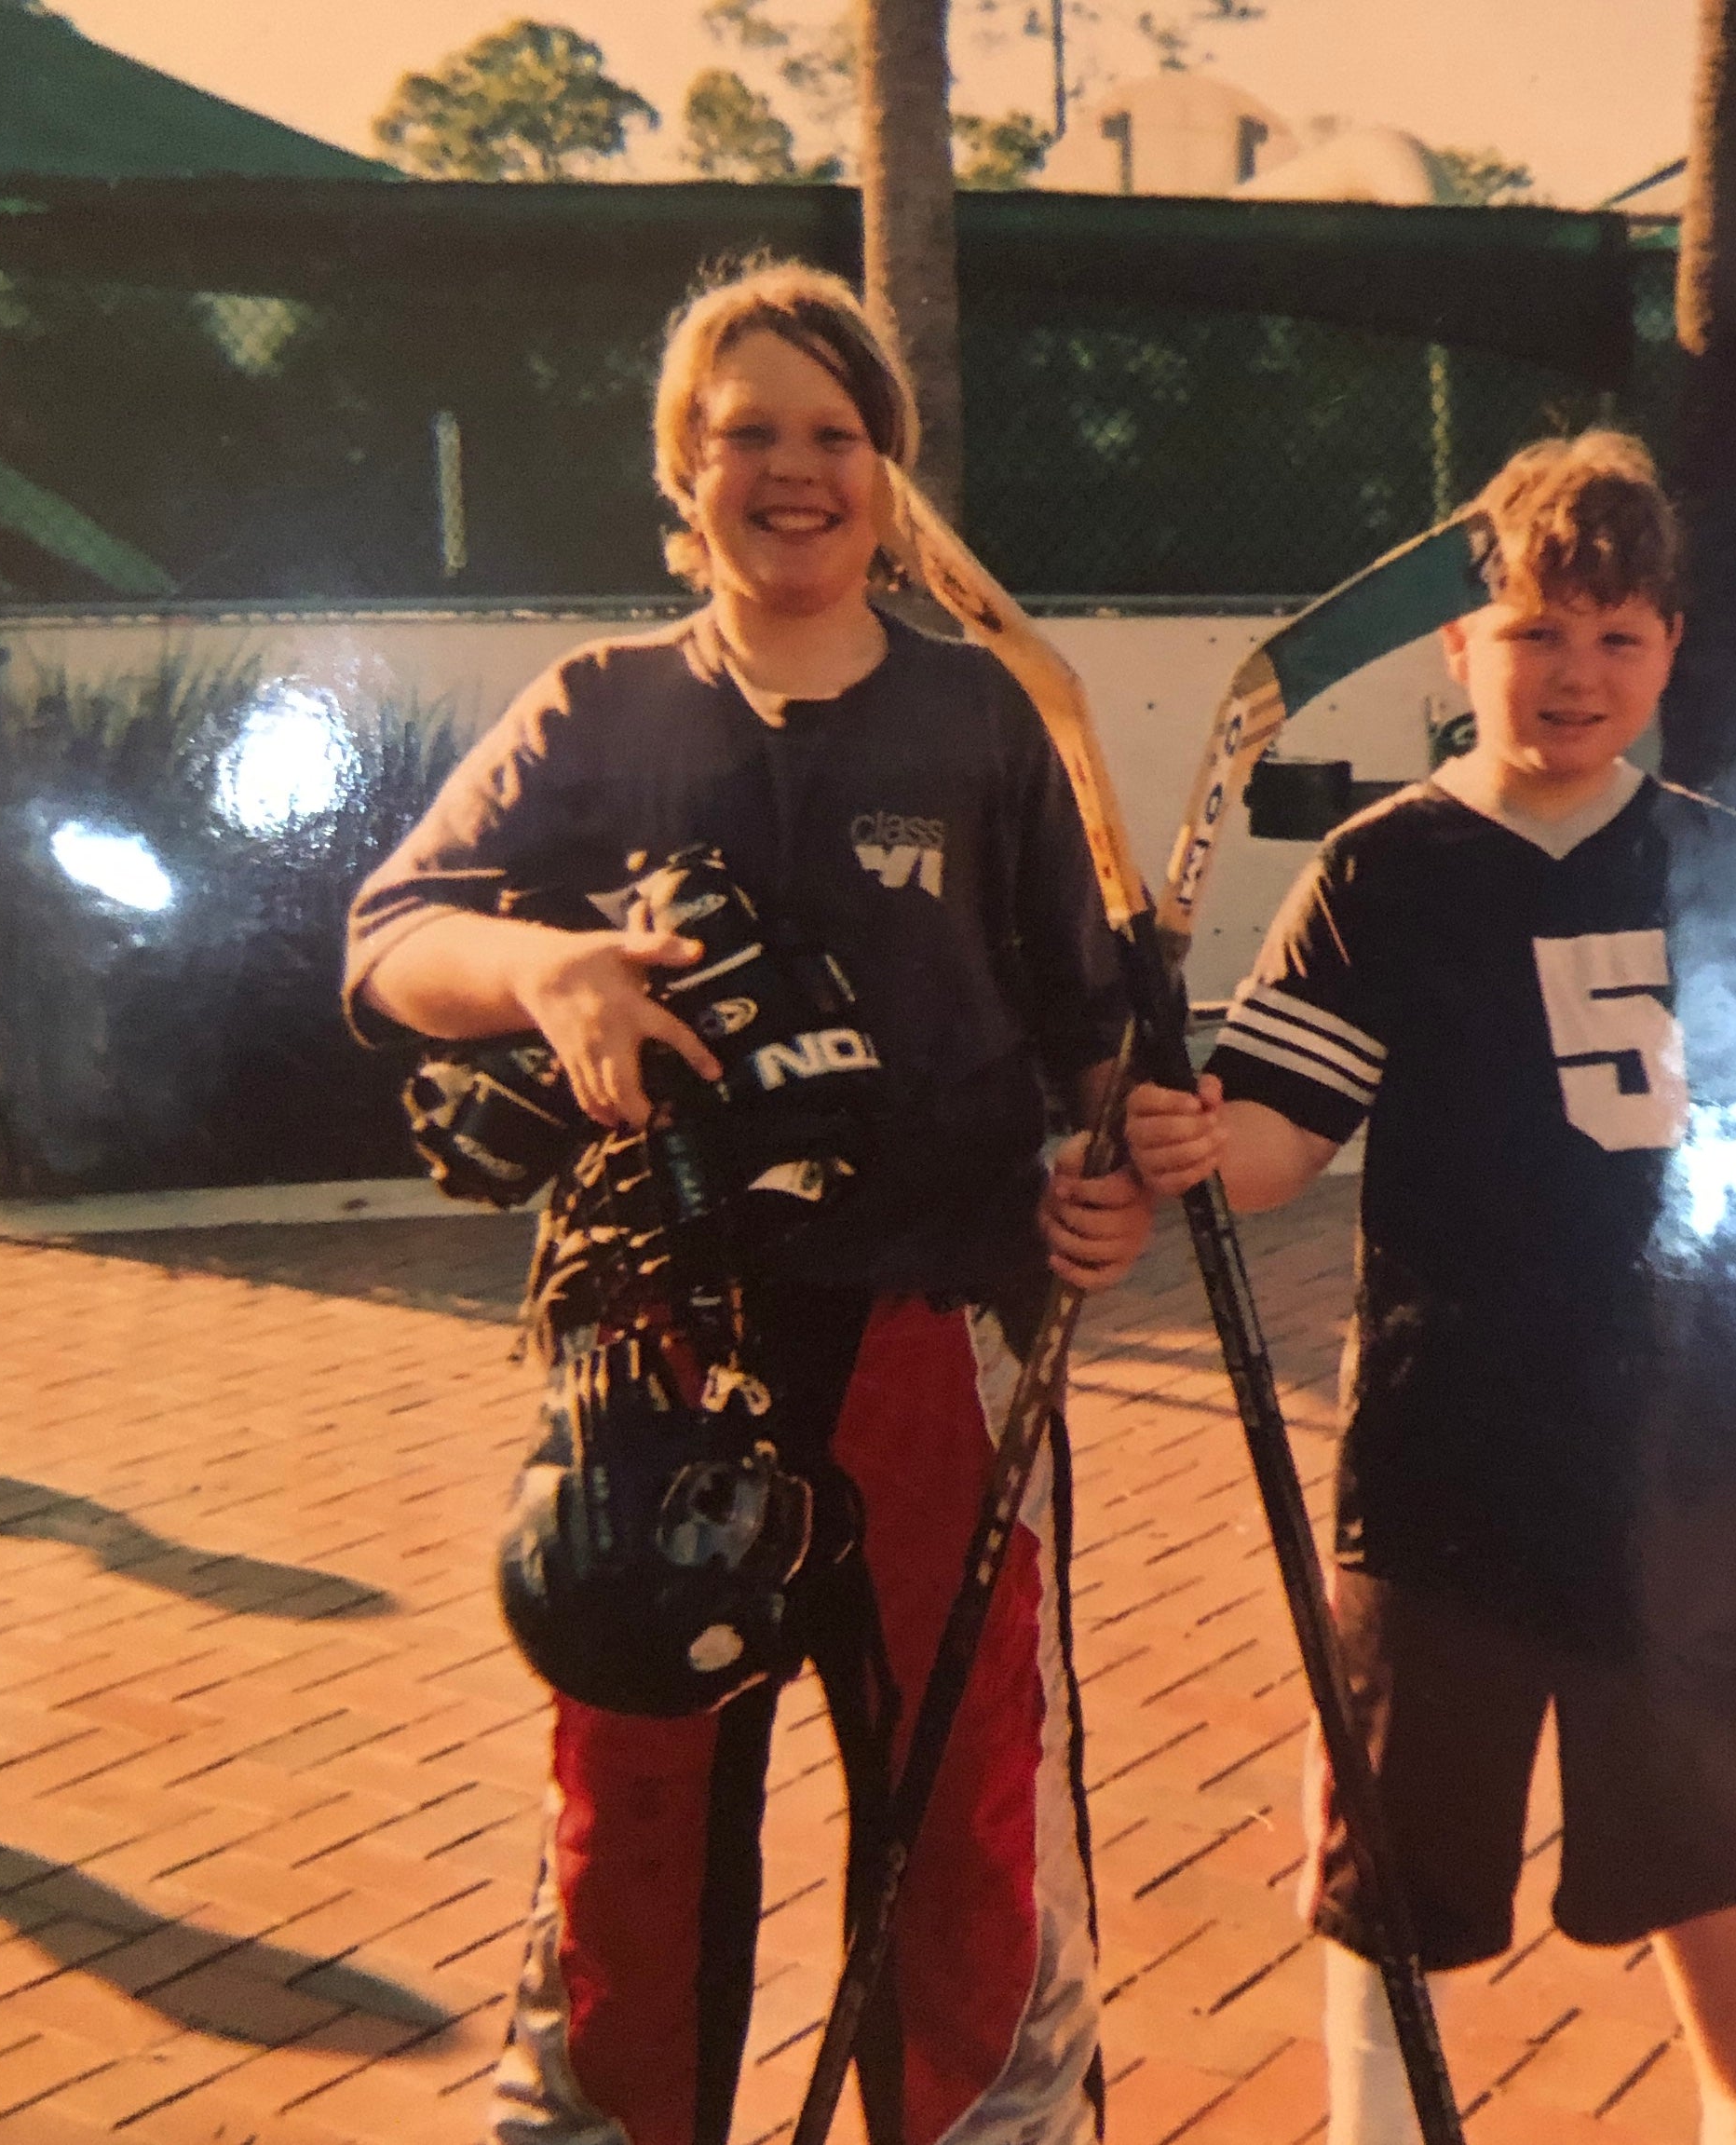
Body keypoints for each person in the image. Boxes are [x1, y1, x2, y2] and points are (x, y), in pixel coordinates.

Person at [344, 260, 1153, 2145]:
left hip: (930, 1331)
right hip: (659, 1366)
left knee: (955, 1813)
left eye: (831, 437)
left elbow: (1089, 1036)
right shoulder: (601, 705)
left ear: (888, 473)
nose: (791, 473)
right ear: (680, 473)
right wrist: (542, 973)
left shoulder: (979, 718)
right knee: (631, 1812)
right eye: (745, 437)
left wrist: (1112, 1174)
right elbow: (387, 942)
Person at [1126, 431, 1736, 2145]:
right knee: (1390, 1855)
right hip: (1437, 1448)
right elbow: (1277, 1145)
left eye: (1616, 635)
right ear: (1461, 650)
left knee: (1698, 1839)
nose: (1575, 673)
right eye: (1537, 632)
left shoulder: (1716, 864)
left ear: (1669, 650)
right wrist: (1183, 1130)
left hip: (1668, 1449)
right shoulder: (1383, 870)